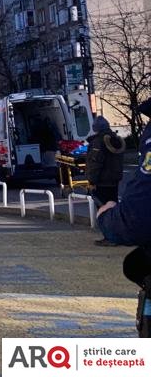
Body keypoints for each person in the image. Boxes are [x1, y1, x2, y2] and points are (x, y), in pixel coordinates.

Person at [97, 98, 151, 336]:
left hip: (107, 185)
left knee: (136, 265)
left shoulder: (99, 143)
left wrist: (108, 218)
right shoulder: (115, 141)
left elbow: (138, 217)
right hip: (114, 178)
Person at [87, 115, 125, 206]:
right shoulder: (116, 140)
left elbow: (95, 163)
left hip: (101, 182)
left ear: (96, 128)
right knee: (113, 206)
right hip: (114, 181)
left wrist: (91, 181)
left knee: (102, 208)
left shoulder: (98, 142)